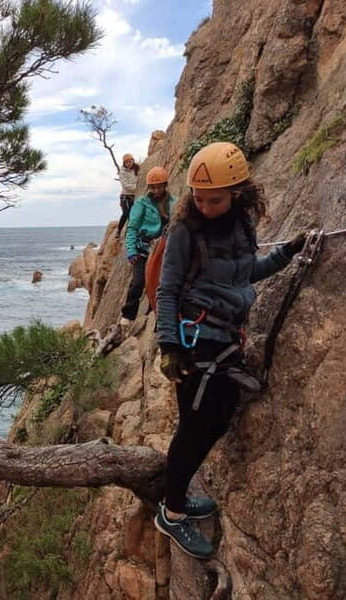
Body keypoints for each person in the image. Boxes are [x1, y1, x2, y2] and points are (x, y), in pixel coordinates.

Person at [153, 142, 307, 558]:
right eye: (198, 198)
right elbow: (167, 291)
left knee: (215, 420)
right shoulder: (185, 230)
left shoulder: (242, 226)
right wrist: (169, 346)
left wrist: (286, 256)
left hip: (226, 339)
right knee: (195, 427)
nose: (203, 205)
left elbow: (244, 275)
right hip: (194, 342)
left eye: (214, 199)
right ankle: (172, 513)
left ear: (237, 192)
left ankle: (177, 496)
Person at [120, 166, 175, 327]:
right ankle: (128, 315)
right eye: (154, 186)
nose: (157, 190)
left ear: (165, 185)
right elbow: (132, 228)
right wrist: (131, 250)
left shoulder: (173, 202)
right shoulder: (142, 204)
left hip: (163, 249)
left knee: (160, 283)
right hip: (143, 249)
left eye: (160, 186)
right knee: (138, 282)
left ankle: (154, 313)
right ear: (149, 187)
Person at [116, 153, 139, 238]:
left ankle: (131, 232)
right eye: (127, 162)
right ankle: (119, 230)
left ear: (133, 160)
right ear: (124, 163)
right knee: (126, 214)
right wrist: (137, 188)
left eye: (130, 161)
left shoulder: (137, 168)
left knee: (133, 215)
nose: (129, 163)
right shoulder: (122, 172)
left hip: (134, 196)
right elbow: (126, 185)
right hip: (125, 196)